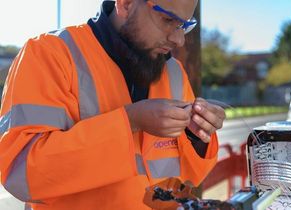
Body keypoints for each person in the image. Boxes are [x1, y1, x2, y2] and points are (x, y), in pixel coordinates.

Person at [0, 0, 226, 209]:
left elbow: (187, 178)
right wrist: (129, 121)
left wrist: (197, 137)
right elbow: (22, 175)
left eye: (185, 25)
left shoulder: (173, 71)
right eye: (168, 20)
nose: (179, 40)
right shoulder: (50, 54)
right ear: (126, 4)